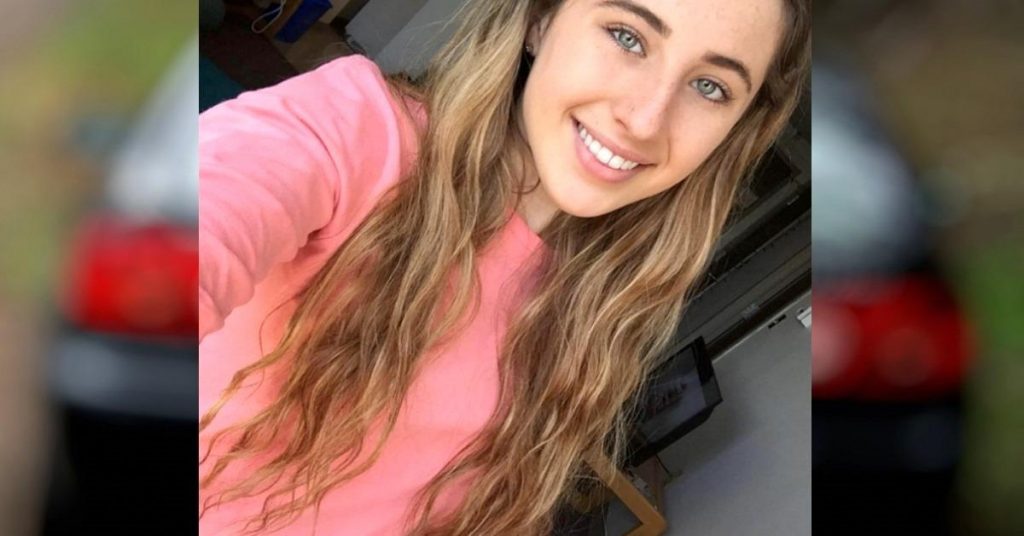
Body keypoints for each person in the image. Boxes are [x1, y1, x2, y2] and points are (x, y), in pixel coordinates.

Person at [198, 0, 810, 534]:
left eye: (710, 87)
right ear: (541, 19)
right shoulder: (355, 131)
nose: (645, 119)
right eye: (627, 36)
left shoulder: (601, 321)